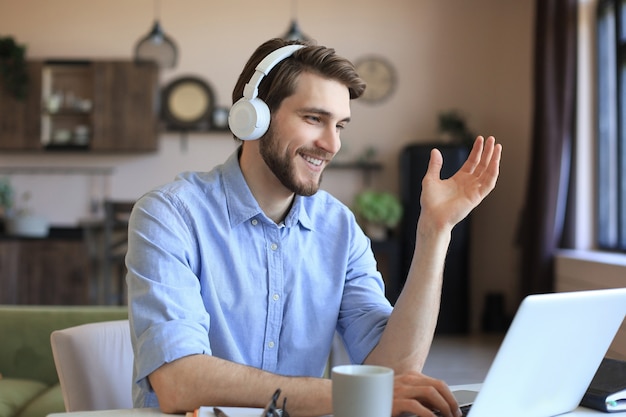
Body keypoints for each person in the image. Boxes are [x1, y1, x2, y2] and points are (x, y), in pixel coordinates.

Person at [126, 37, 502, 417]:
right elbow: (178, 381)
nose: (331, 143)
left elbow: (392, 375)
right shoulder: (169, 215)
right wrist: (343, 396)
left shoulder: (339, 228)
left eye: (340, 125)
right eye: (313, 119)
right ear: (253, 116)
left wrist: (435, 231)